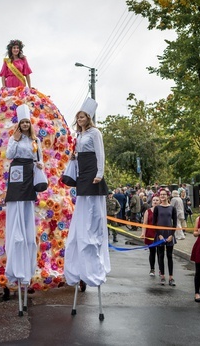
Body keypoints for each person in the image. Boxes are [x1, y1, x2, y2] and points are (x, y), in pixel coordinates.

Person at [64, 98, 110, 290]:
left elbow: (100, 153)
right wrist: (73, 157)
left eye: (83, 117)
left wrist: (100, 173)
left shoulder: (95, 133)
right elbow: (79, 152)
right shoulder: (79, 135)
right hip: (82, 170)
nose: (80, 119)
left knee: (93, 204)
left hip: (92, 169)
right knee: (83, 201)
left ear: (88, 118)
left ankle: (93, 229)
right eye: (79, 117)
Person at [4, 104, 43, 297]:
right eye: (23, 122)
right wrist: (15, 139)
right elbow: (9, 155)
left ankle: (27, 268)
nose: (26, 124)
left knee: (27, 207)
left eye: (28, 121)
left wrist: (40, 164)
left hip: (29, 172)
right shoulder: (14, 138)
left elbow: (39, 157)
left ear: (30, 123)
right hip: (17, 171)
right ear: (19, 124)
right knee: (16, 206)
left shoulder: (35, 140)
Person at [153, 188, 177, 286]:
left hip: (169, 233)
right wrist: (159, 234)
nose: (162, 196)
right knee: (161, 255)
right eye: (161, 194)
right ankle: (162, 276)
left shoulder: (172, 208)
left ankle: (171, 277)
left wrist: (172, 235)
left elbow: (175, 223)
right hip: (160, 234)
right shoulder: (157, 208)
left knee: (170, 256)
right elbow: (154, 223)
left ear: (168, 196)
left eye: (164, 194)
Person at [141, 195, 161, 276]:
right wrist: (143, 233)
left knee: (160, 253)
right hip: (150, 234)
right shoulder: (148, 211)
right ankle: (152, 269)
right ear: (151, 202)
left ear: (160, 202)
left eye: (157, 200)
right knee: (152, 252)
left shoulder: (161, 211)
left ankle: (161, 269)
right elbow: (145, 223)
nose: (155, 201)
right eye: (154, 200)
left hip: (159, 234)